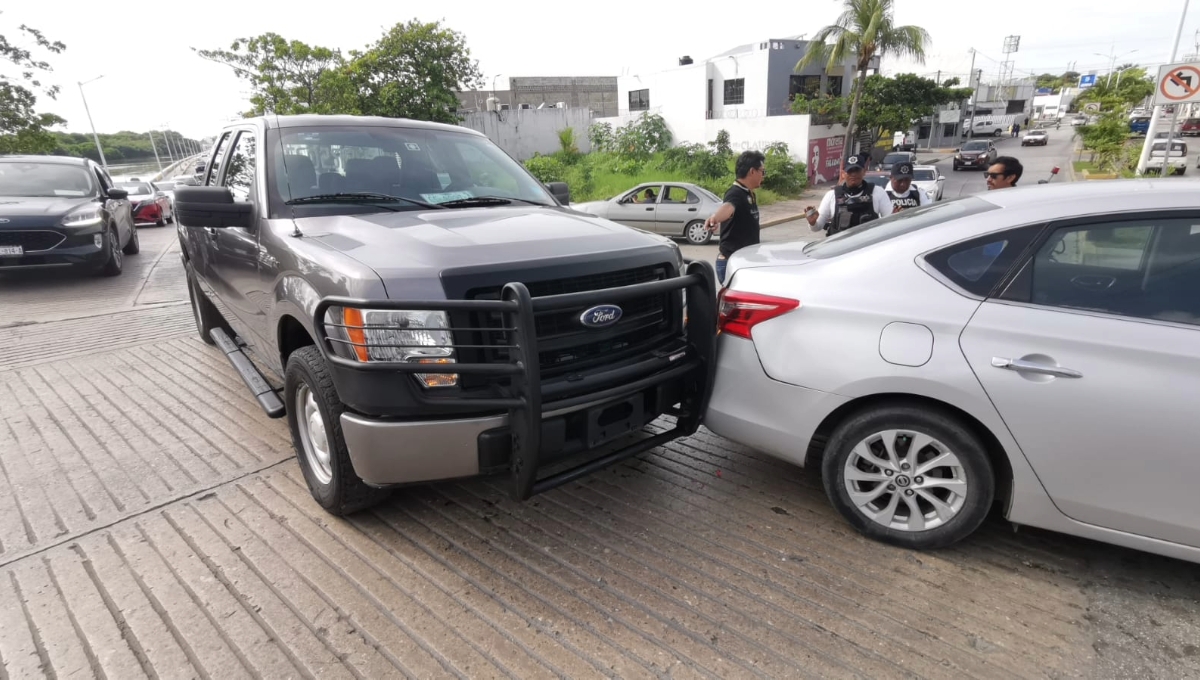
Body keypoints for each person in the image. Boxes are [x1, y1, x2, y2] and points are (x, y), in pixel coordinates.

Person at [704, 150, 766, 284]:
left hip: (743, 261)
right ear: (752, 171)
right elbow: (728, 207)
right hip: (732, 263)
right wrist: (714, 218)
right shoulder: (735, 193)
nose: (764, 176)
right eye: (762, 171)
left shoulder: (748, 193)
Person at [804, 154, 893, 236]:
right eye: (850, 171)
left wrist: (895, 217)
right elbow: (817, 227)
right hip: (840, 248)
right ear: (843, 173)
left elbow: (890, 222)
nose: (853, 175)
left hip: (868, 247)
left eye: (857, 171)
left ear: (864, 171)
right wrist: (812, 223)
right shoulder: (832, 195)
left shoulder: (877, 192)